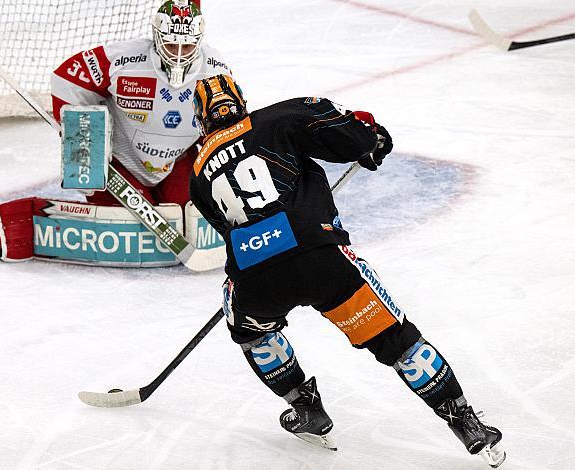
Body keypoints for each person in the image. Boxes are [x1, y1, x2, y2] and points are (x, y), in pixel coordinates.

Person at [188, 75, 506, 467]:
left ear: (202, 121)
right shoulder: (278, 117)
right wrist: (371, 140)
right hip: (321, 257)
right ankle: (465, 421)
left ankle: (305, 407)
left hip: (256, 275)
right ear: (242, 103)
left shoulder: (197, 174)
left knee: (250, 329)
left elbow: (232, 225)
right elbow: (350, 135)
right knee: (396, 339)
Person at [50, 0, 232, 209]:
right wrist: (82, 144)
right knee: (120, 222)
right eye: (171, 45)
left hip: (177, 160)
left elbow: (227, 130)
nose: (179, 54)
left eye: (187, 46)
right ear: (157, 36)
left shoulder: (216, 72)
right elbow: (66, 81)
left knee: (191, 212)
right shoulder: (125, 60)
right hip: (119, 163)